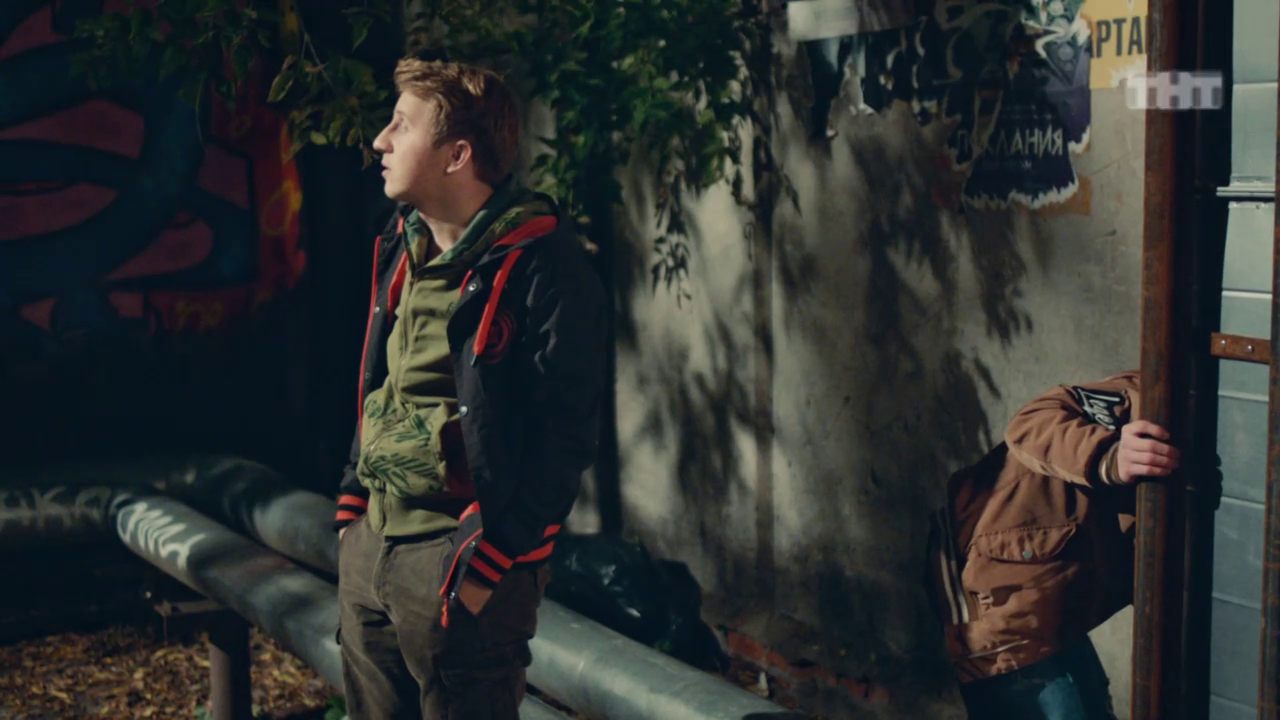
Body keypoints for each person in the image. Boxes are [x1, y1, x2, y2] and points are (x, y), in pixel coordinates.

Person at [331, 57, 607, 720]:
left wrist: (494, 561)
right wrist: (351, 509)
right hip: (372, 547)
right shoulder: (402, 242)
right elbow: (383, 381)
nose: (380, 140)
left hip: (458, 562)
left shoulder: (544, 265)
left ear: (456, 155)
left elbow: (566, 436)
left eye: (402, 125)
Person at [927, 370, 1180, 719]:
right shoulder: (1155, 394)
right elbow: (1030, 422)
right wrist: (1108, 456)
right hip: (988, 588)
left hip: (1056, 604)